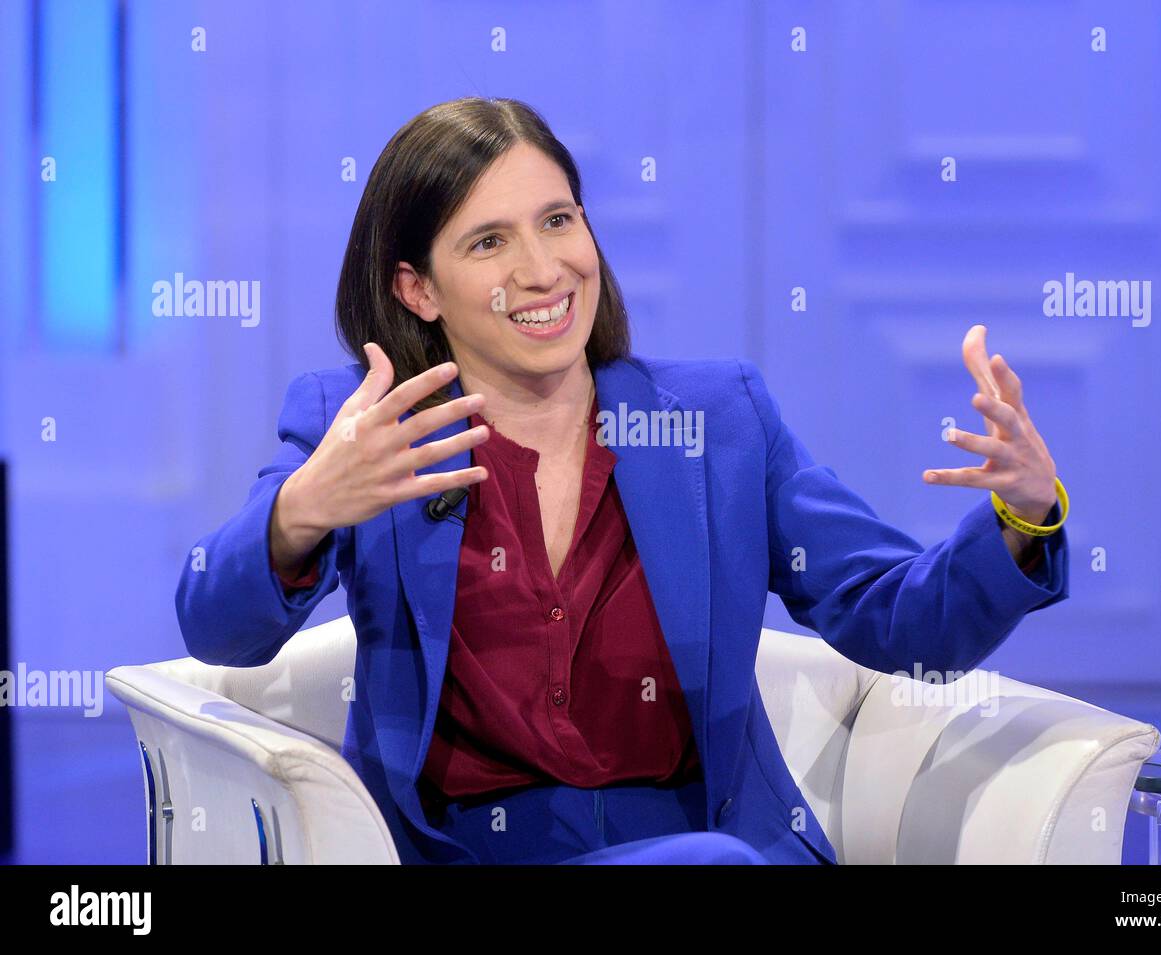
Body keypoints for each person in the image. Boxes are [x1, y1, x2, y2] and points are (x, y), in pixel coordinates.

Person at [175, 97, 1070, 865]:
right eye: (489, 241)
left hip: (713, 848)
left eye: (558, 219)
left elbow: (900, 617)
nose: (543, 268)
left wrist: (1020, 517)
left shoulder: (718, 422)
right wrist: (304, 510)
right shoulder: (368, 425)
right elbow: (216, 622)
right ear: (418, 291)